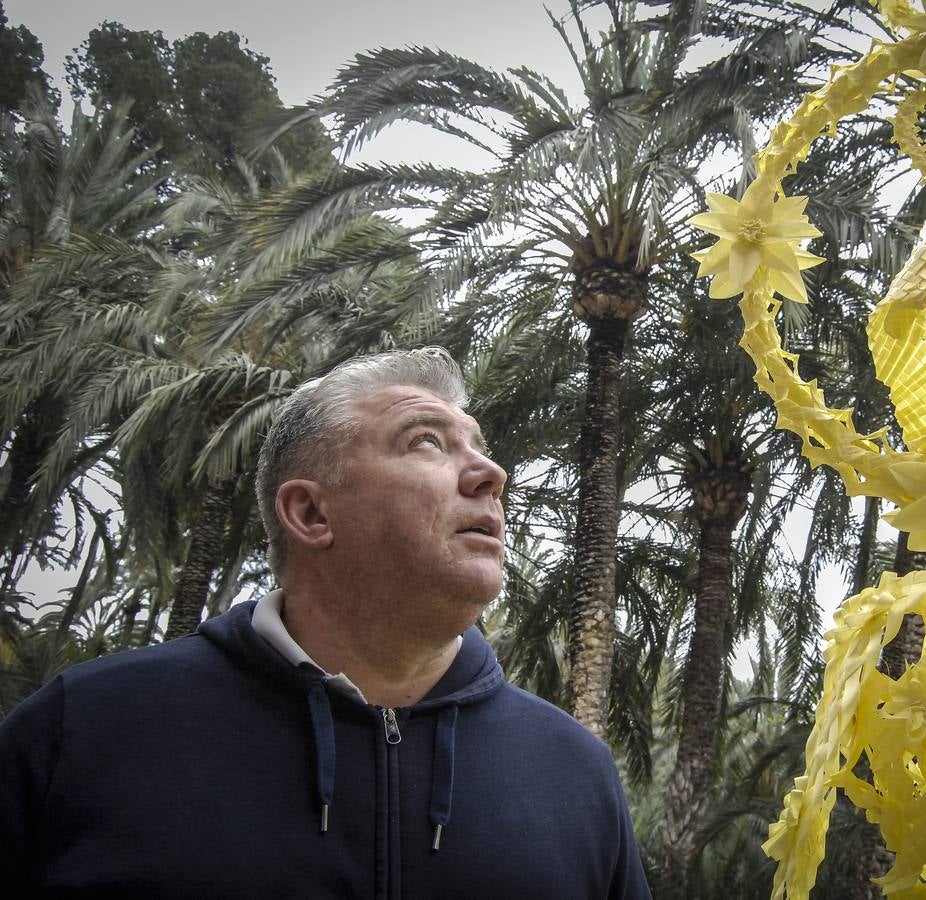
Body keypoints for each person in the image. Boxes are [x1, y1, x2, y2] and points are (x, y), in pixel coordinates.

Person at [0, 347, 652, 899]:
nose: (490, 474)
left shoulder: (575, 772)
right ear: (311, 514)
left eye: (478, 447)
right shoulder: (83, 731)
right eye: (426, 441)